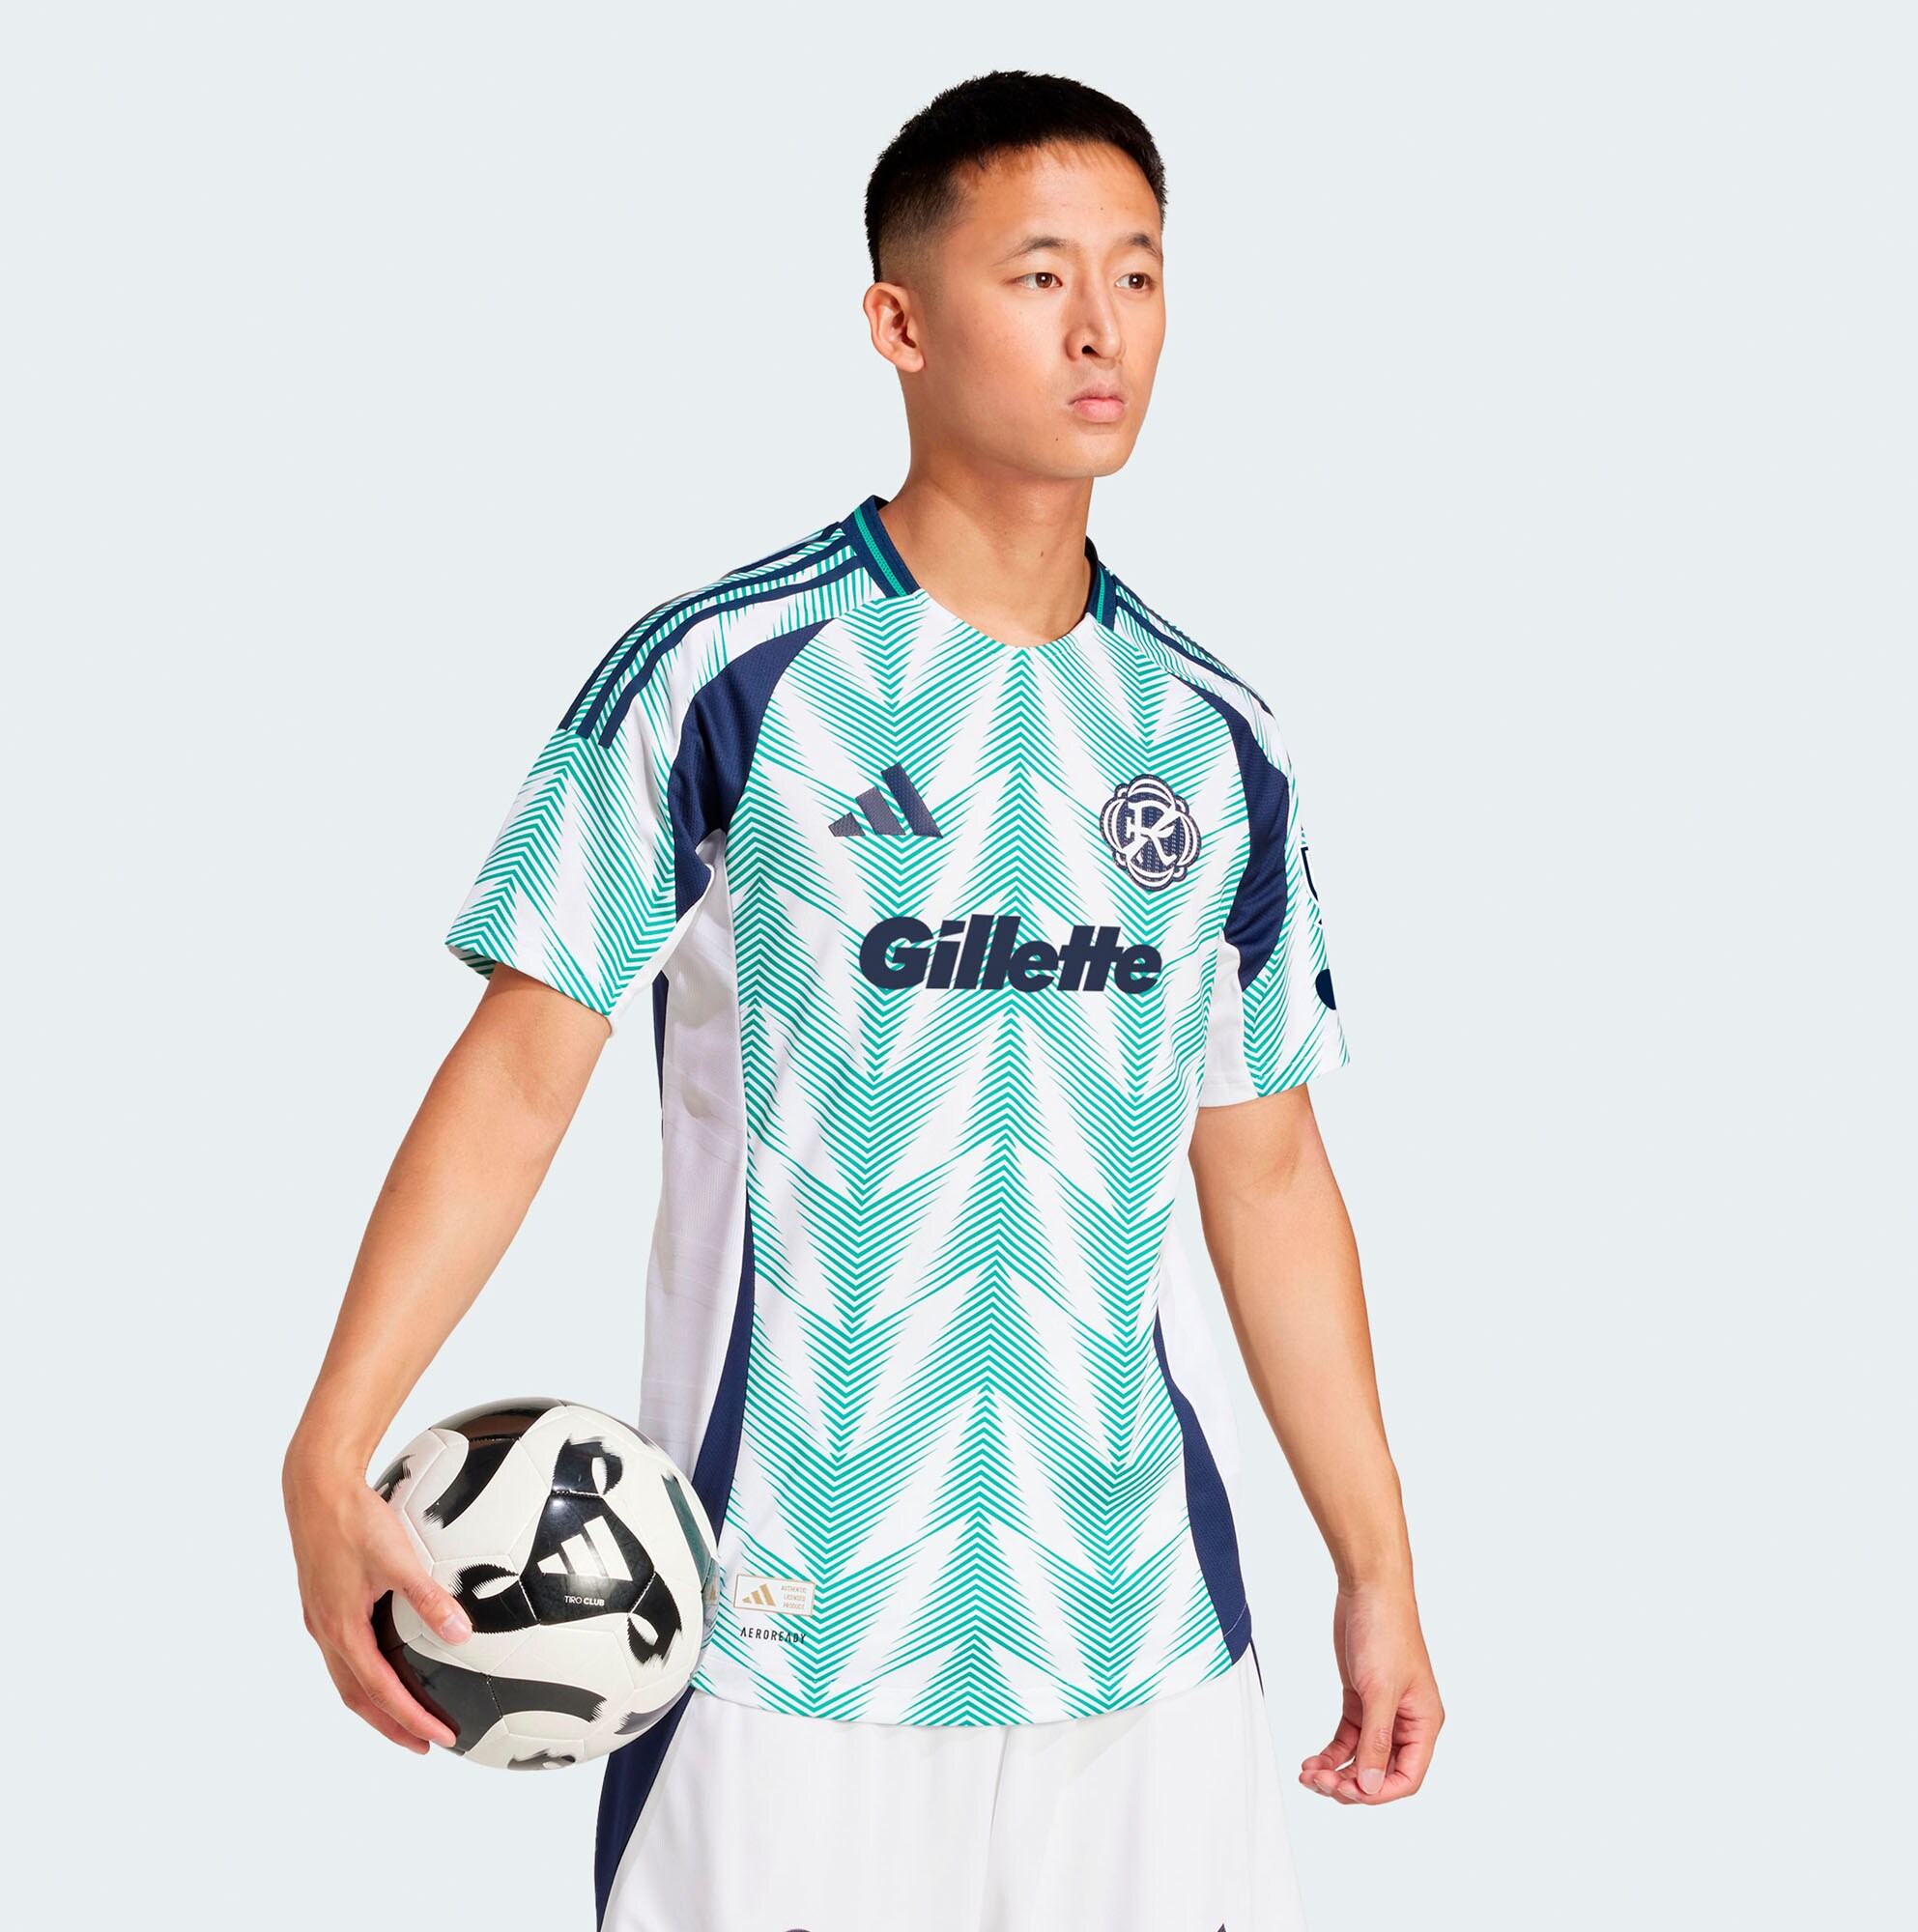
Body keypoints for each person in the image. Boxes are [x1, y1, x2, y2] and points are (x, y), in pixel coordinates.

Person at [283, 68, 1443, 1932]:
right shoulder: (721, 678)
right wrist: (332, 1444)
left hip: (1141, 1643)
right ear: (899, 324)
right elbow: (515, 1078)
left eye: (1140, 274)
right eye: (1040, 274)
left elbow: (1274, 1170)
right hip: (769, 1637)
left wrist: (1375, 1566)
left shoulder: (1215, 737)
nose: (1100, 327)